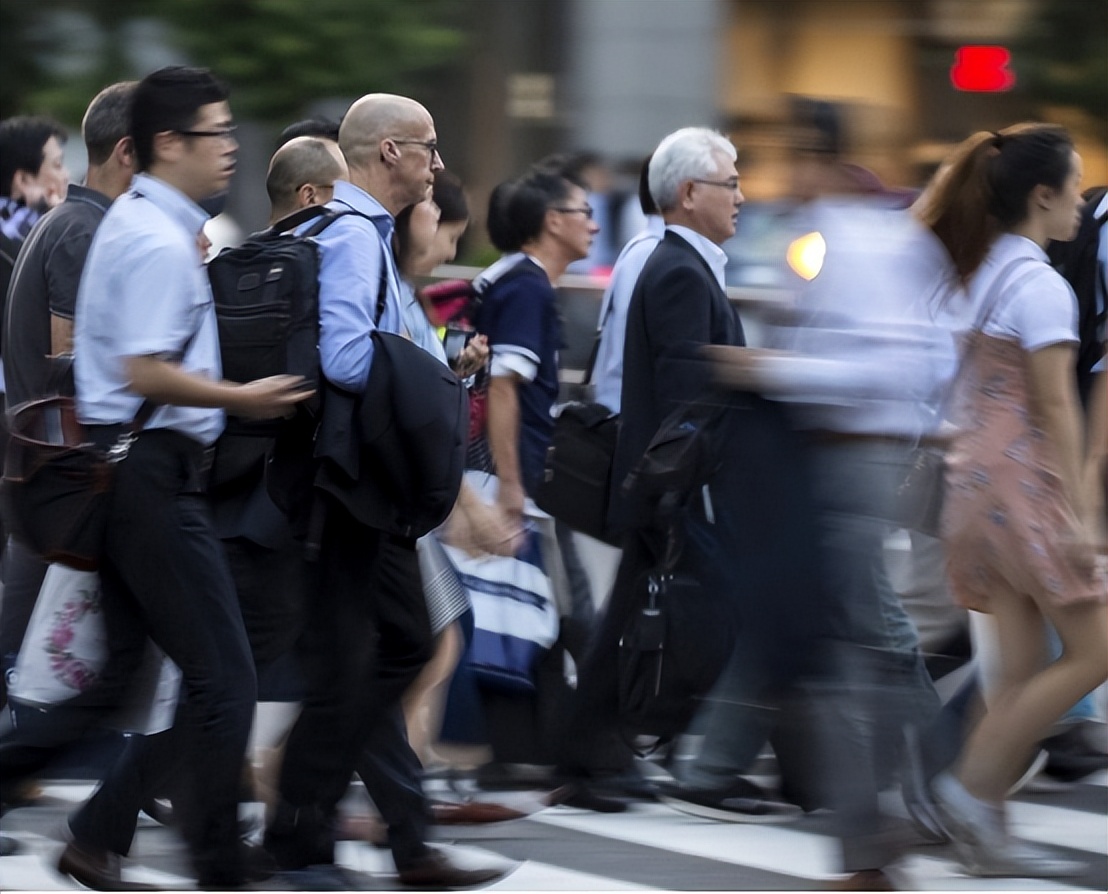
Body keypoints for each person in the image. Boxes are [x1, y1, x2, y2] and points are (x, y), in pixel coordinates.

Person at [69, 66, 311, 890]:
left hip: (154, 475)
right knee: (223, 677)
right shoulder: (151, 239)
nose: (232, 149)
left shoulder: (158, 229)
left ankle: (98, 834)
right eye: (218, 134)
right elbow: (140, 369)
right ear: (169, 144)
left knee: (155, 684)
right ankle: (213, 859)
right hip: (152, 477)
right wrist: (240, 396)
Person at [261, 93, 504, 889]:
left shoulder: (358, 235)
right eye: (429, 149)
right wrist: (428, 384)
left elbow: (382, 342)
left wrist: (439, 368)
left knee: (384, 645)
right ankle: (301, 822)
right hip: (354, 482)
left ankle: (310, 820)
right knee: (381, 647)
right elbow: (347, 360)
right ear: (390, 151)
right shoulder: (356, 235)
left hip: (356, 479)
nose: (438, 165)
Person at [916, 123, 1106, 877]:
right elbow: (1058, 408)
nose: (1084, 205)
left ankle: (984, 831)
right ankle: (965, 790)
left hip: (973, 486)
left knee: (1021, 671)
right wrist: (1083, 516)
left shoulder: (981, 271)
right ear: (1042, 194)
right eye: (1077, 186)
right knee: (1096, 650)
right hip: (1026, 486)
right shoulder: (1040, 286)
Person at [0, 84, 136, 712]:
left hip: (57, 475)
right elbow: (72, 366)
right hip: (68, 477)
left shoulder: (75, 221)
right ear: (131, 152)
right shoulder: (82, 232)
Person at [591, 155, 663, 415]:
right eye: (728, 185)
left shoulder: (651, 248)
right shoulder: (651, 250)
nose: (738, 197)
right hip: (630, 409)